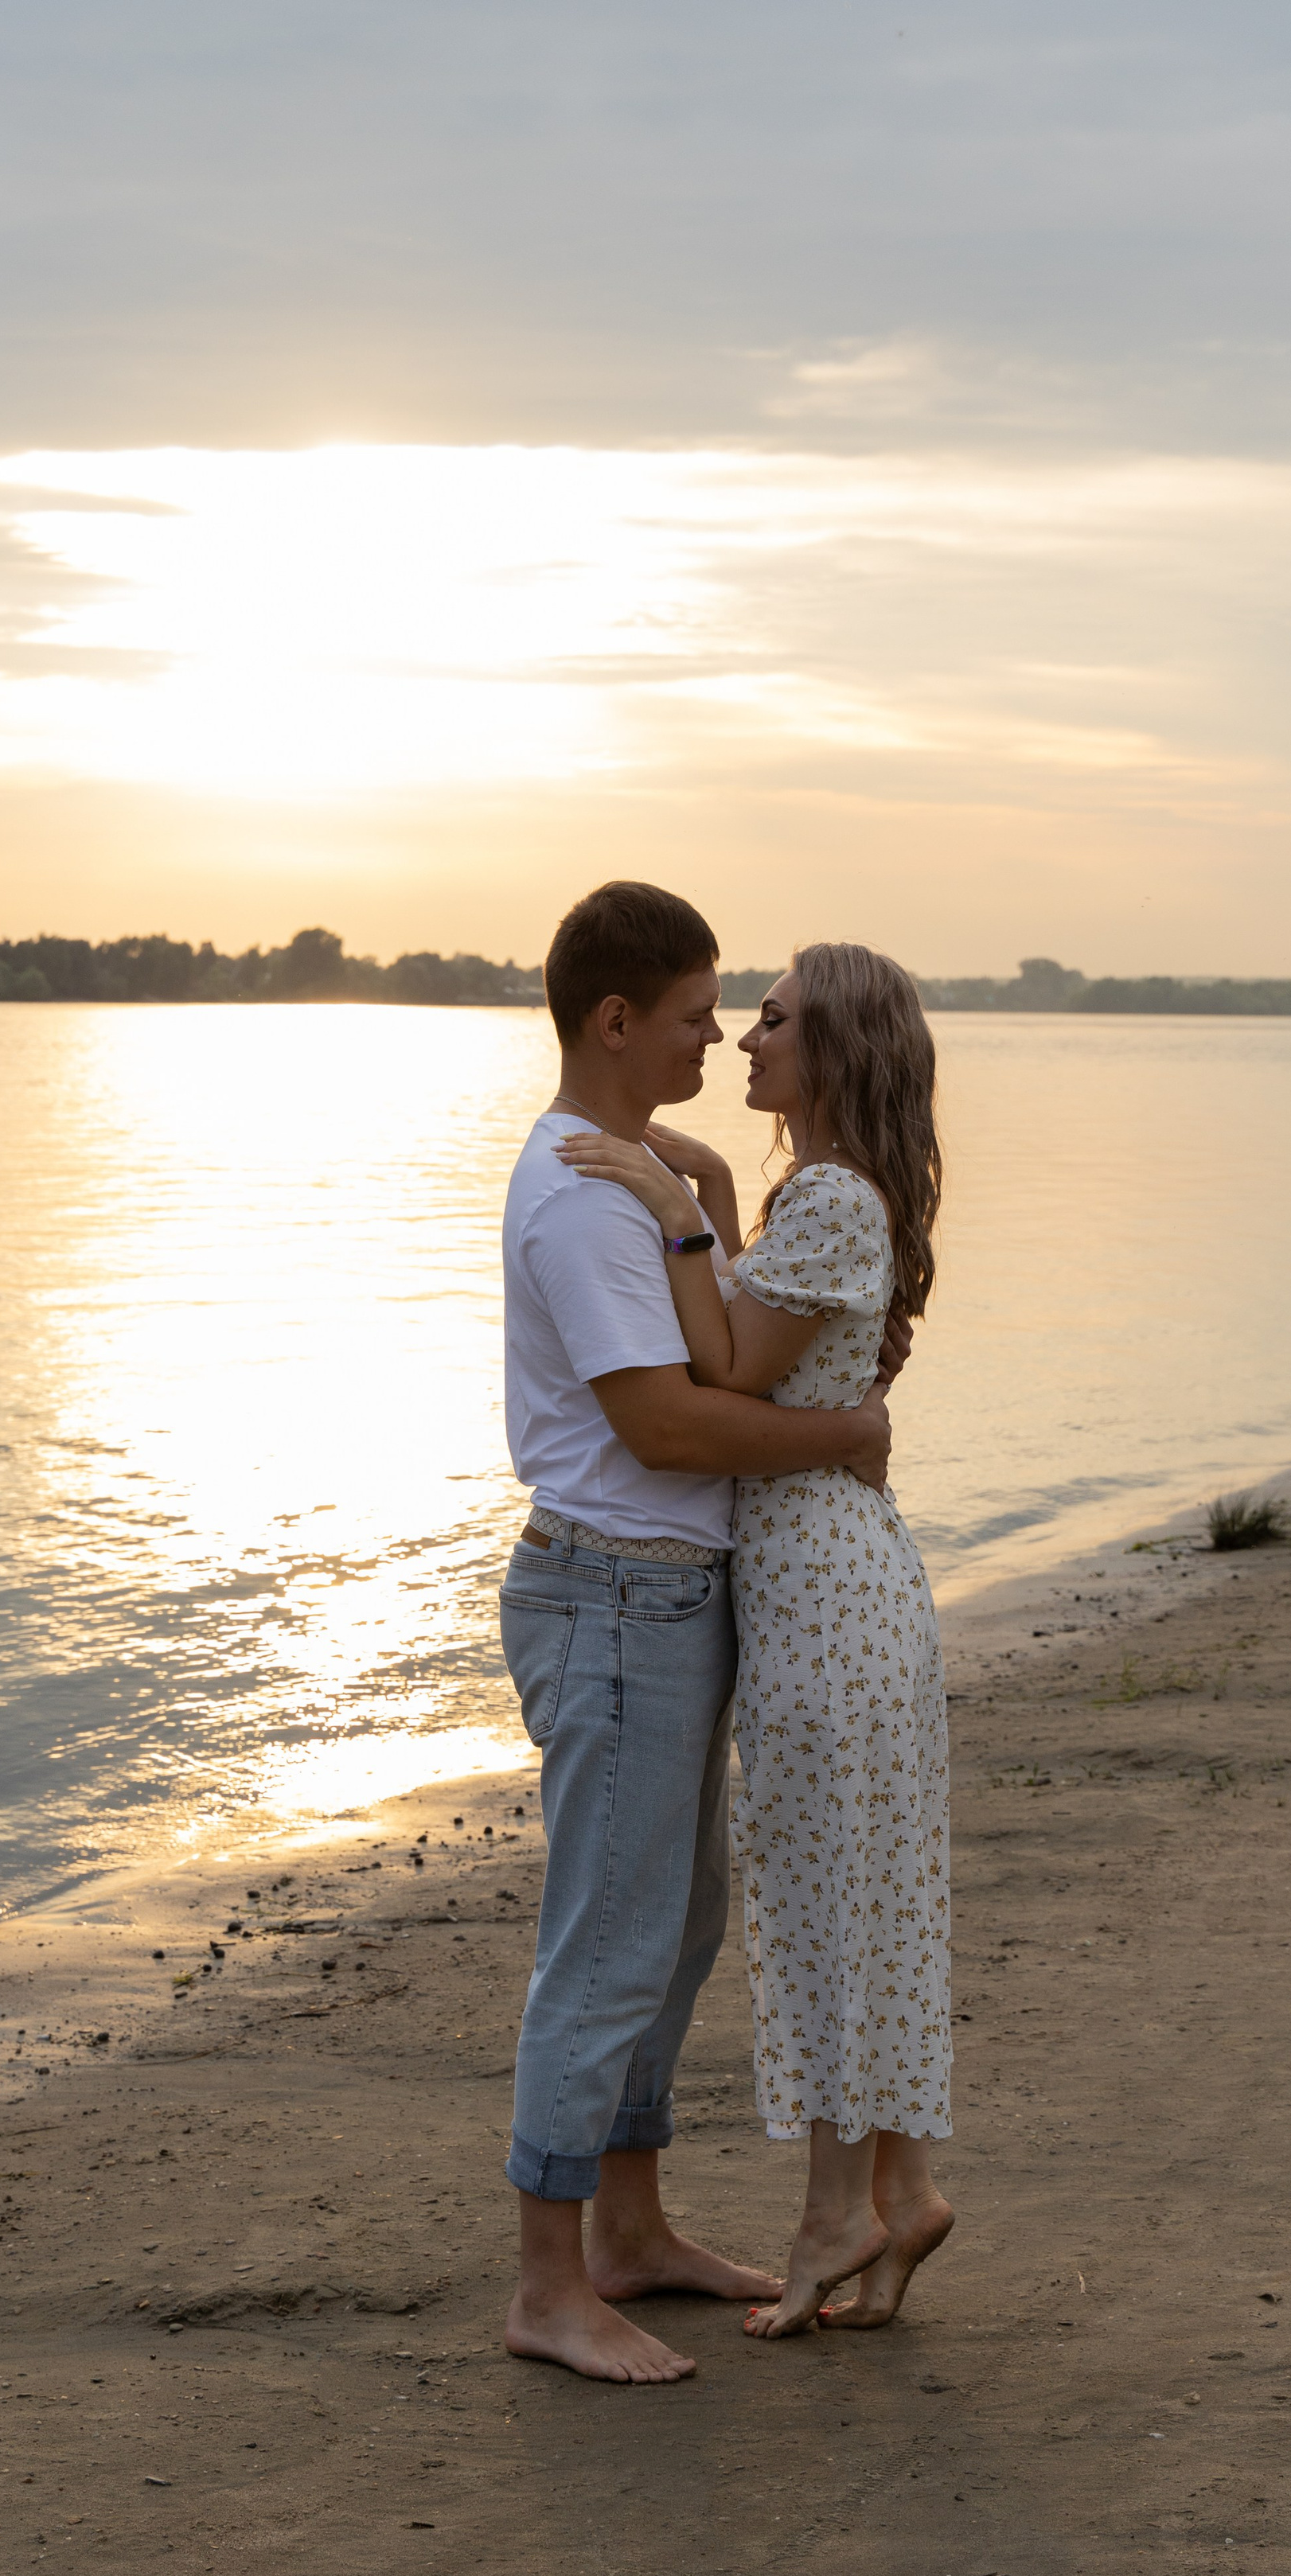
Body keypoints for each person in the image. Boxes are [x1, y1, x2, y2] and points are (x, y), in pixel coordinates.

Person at [499, 884, 907, 2385]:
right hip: (612, 1590)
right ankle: (550, 2284)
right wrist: (844, 1430)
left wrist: (701, 1178)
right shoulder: (583, 1201)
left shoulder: (630, 1179)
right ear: (619, 1021)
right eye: (693, 1012)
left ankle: (629, 2231)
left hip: (663, 1597)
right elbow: (669, 1424)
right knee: (608, 1944)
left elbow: (711, 1327)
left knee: (668, 1935)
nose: (719, 1031)